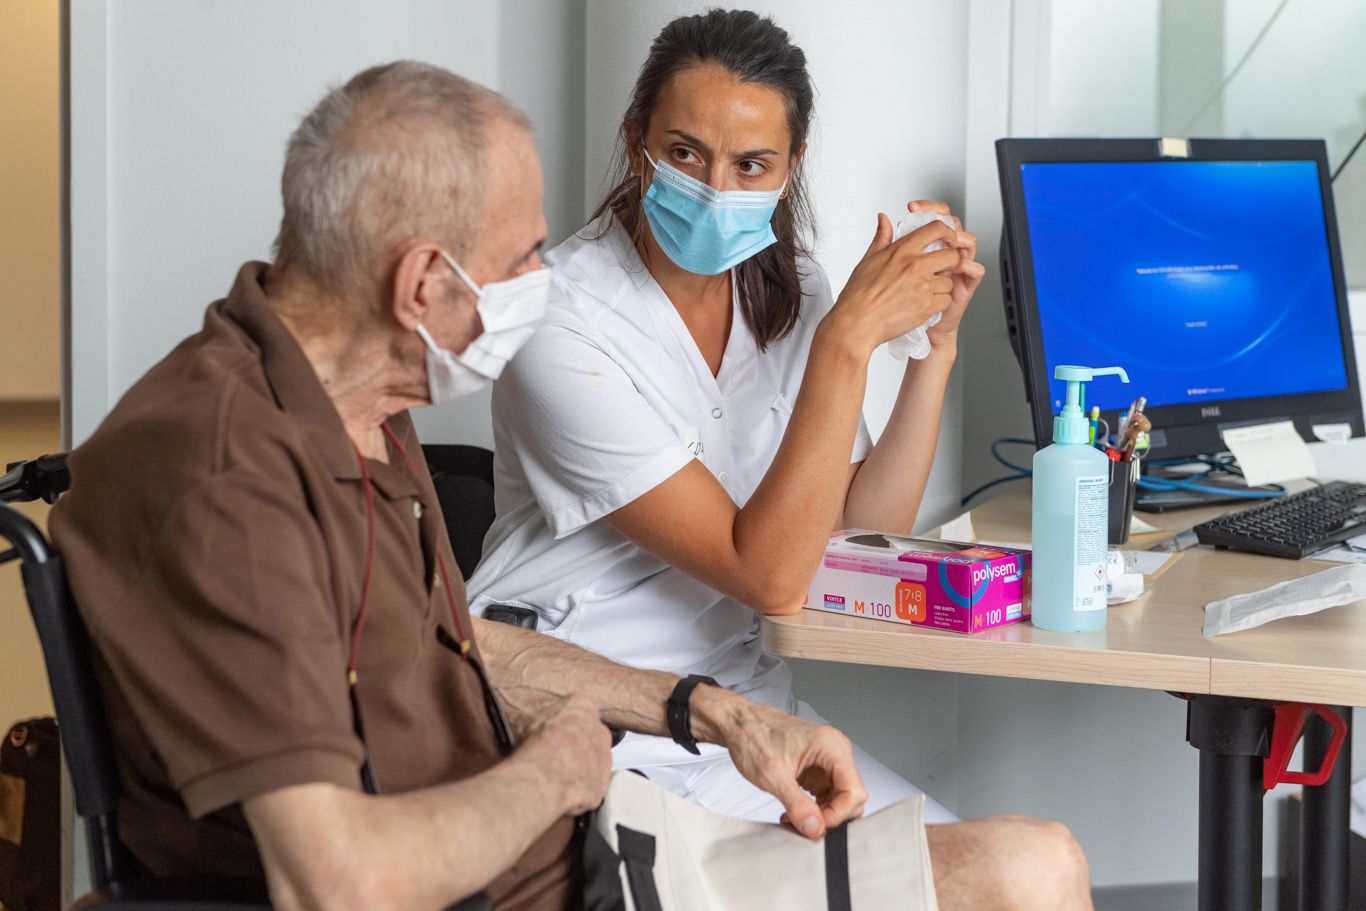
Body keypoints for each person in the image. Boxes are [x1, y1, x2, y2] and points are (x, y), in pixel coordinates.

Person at [51, 60, 1088, 911]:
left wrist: (705, 711)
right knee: (1029, 875)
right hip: (567, 863)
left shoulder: (355, 406)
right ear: (424, 286)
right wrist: (556, 771)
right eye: (523, 255)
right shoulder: (231, 476)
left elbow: (451, 636)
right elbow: (342, 877)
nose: (544, 281)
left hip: (580, 833)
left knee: (1030, 864)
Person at [471, 7, 976, 825]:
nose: (715, 190)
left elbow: (864, 526)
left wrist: (933, 354)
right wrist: (846, 344)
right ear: (637, 141)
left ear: (792, 165)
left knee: (1001, 869)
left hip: (747, 717)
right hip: (587, 716)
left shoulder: (793, 289)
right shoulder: (553, 320)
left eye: (751, 165)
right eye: (684, 154)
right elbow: (769, 575)